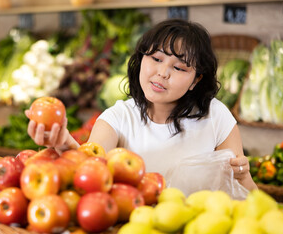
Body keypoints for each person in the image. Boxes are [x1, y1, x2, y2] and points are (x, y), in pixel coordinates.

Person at [26, 19, 257, 192]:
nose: (162, 73)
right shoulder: (117, 118)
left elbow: (250, 197)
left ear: (195, 80)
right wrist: (65, 144)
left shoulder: (215, 116)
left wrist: (243, 177)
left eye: (179, 68)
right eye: (156, 59)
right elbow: (88, 171)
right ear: (141, 59)